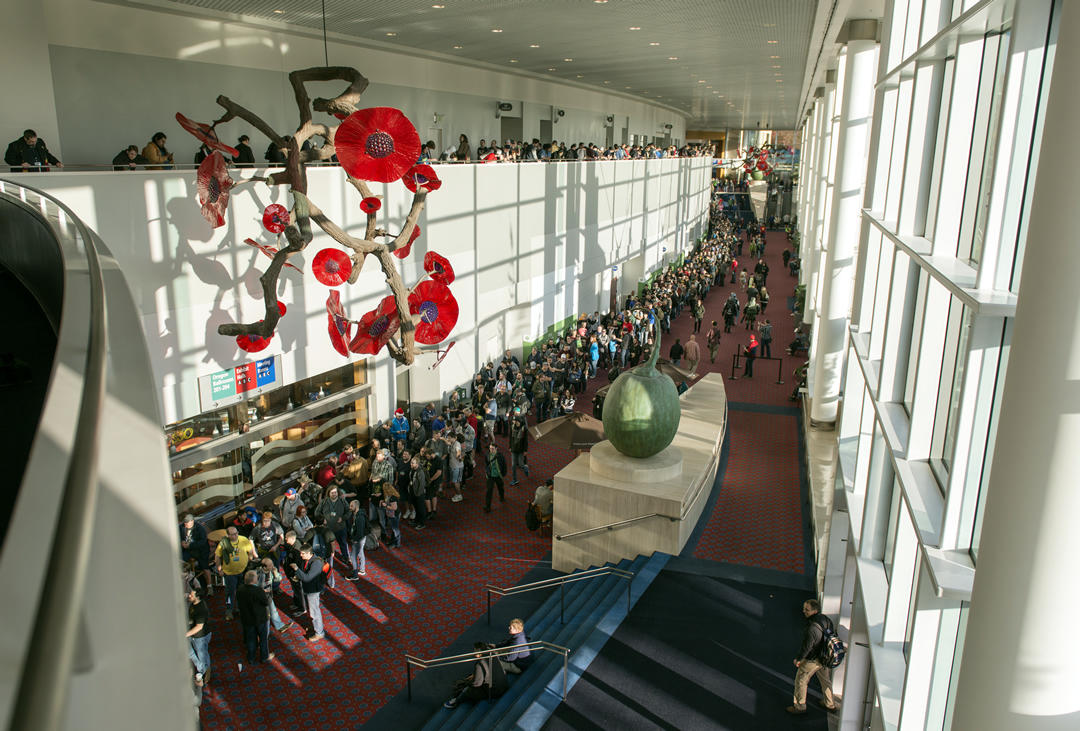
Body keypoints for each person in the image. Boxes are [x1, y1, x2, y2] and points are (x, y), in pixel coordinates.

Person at [787, 598, 839, 714]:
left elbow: (807, 647)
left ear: (815, 611)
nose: (804, 611)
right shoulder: (826, 619)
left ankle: (799, 706)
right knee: (825, 681)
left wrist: (799, 659)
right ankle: (830, 704)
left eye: (807, 610)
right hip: (825, 657)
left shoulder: (812, 628)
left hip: (813, 659)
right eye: (804, 608)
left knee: (801, 680)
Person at [443, 642, 508, 709]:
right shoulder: (492, 654)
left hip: (494, 691)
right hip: (503, 685)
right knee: (472, 677)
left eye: (474, 651)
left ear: (478, 654)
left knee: (467, 690)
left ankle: (455, 702)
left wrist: (467, 683)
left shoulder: (480, 664)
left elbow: (476, 683)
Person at [214, 525, 257, 620]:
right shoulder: (223, 543)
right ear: (228, 535)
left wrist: (250, 559)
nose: (236, 535)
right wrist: (219, 569)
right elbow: (217, 556)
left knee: (241, 591)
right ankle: (229, 611)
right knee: (230, 593)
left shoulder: (243, 539)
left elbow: (250, 550)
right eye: (233, 534)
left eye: (237, 533)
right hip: (230, 573)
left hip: (242, 571)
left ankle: (239, 608)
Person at [236, 570, 272, 667]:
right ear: (254, 580)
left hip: (247, 619)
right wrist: (267, 594)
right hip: (260, 619)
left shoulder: (240, 589)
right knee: (263, 639)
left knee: (250, 640)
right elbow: (265, 602)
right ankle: (264, 657)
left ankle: (251, 658)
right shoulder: (258, 591)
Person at [293, 544, 326, 641]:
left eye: (302, 553)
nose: (301, 555)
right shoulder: (307, 560)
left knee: (314, 612)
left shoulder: (316, 563)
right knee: (312, 610)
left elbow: (307, 578)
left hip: (313, 590)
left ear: (309, 553)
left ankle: (319, 632)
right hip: (308, 589)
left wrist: (296, 569)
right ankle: (315, 627)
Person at [180, 514, 212, 596]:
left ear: (192, 521)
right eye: (185, 523)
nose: (185, 525)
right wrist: (182, 542)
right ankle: (185, 584)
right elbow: (178, 536)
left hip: (201, 550)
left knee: (205, 567)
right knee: (181, 563)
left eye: (187, 523)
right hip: (188, 550)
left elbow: (202, 542)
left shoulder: (200, 528)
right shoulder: (181, 527)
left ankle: (209, 587)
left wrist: (190, 545)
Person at [185, 587, 211, 687]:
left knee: (202, 656)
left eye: (192, 595)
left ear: (198, 597)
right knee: (193, 653)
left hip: (200, 637)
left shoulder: (201, 610)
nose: (189, 596)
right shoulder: (194, 603)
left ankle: (205, 677)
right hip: (194, 636)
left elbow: (199, 627)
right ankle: (202, 671)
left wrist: (186, 634)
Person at [344, 499, 368, 578]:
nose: (350, 507)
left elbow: (360, 532)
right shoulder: (356, 514)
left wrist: (355, 540)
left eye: (352, 506)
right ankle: (362, 570)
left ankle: (355, 575)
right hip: (359, 538)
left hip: (359, 539)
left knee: (353, 557)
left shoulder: (359, 517)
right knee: (360, 553)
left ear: (356, 506)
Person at [483, 443, 507, 513]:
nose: (491, 450)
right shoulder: (487, 455)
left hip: (498, 475)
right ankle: (488, 507)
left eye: (492, 449)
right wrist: (487, 472)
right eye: (490, 448)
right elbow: (487, 464)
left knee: (500, 487)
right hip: (490, 475)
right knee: (489, 491)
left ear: (496, 449)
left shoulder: (500, 456)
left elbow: (504, 465)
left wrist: (503, 474)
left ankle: (502, 497)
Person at [508, 408, 529, 486]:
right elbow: (510, 437)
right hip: (513, 448)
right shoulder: (512, 427)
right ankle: (514, 479)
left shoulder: (524, 429)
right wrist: (510, 446)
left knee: (521, 464)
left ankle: (525, 468)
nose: (514, 422)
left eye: (515, 421)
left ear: (519, 421)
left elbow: (526, 441)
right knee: (513, 465)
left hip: (520, 449)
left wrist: (525, 450)